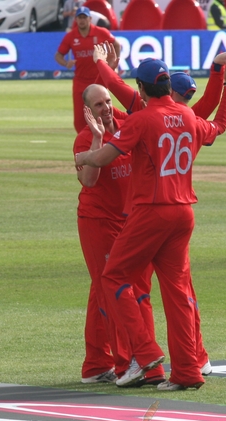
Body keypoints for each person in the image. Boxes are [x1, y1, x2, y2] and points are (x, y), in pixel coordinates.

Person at [75, 58, 226, 391]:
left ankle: (146, 352)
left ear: (141, 89)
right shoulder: (189, 116)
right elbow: (219, 125)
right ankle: (187, 371)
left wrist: (85, 158)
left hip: (152, 212)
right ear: (169, 87)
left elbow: (105, 158)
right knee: (178, 293)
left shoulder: (141, 119)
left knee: (113, 276)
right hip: (184, 212)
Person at [73, 84, 166, 386]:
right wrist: (98, 138)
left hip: (130, 221)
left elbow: (141, 106)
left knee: (104, 289)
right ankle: (126, 362)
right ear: (88, 110)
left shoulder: (128, 124)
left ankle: (95, 364)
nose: (106, 108)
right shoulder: (85, 139)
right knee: (112, 292)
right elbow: (88, 181)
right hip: (98, 222)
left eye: (108, 101)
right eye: (98, 105)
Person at [54, 7, 119, 133]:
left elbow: (116, 44)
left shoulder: (100, 32)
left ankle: (107, 140)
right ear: (76, 19)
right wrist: (66, 63)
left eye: (84, 17)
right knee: (79, 119)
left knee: (105, 113)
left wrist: (114, 65)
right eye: (80, 18)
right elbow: (58, 55)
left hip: (99, 81)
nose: (82, 20)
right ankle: (85, 142)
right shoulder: (71, 36)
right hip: (80, 81)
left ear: (90, 19)